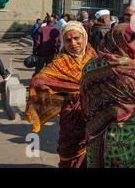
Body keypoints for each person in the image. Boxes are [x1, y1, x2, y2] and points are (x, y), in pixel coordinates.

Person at [80, 23, 135, 168]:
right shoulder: (134, 69)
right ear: (123, 44)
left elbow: (84, 98)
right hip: (130, 139)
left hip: (96, 138)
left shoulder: (89, 66)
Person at [25, 21, 97, 168]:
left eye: (77, 38)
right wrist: (62, 95)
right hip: (71, 117)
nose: (73, 43)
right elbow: (38, 81)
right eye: (68, 40)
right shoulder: (60, 62)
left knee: (94, 154)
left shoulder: (94, 58)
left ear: (84, 36)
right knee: (69, 153)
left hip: (95, 117)